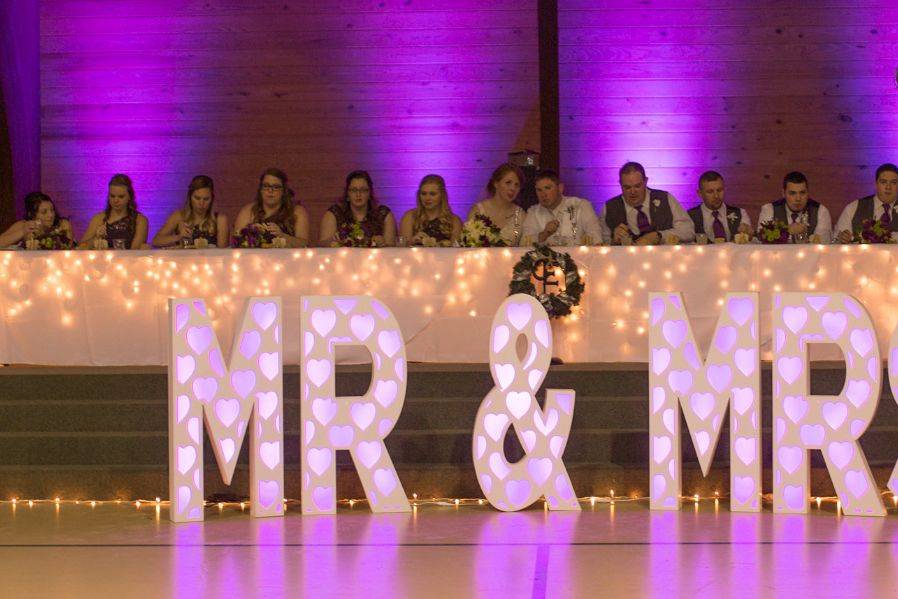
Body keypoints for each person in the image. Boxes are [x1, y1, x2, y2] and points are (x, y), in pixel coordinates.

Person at [599, 162, 693, 245]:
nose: (632, 191)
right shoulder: (609, 207)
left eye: (637, 186)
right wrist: (613, 241)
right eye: (627, 187)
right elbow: (601, 244)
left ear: (646, 181)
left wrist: (659, 236)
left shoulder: (665, 198)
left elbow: (688, 231)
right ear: (620, 184)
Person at [232, 168, 310, 248]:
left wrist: (282, 236)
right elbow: (236, 242)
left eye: (276, 187)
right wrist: (253, 235)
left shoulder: (297, 211)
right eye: (266, 186)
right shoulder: (248, 211)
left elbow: (304, 244)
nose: (270, 191)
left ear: (283, 191)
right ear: (261, 190)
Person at [521, 169, 601, 245]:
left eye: (547, 188)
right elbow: (524, 243)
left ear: (560, 188)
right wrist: (544, 234)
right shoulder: (533, 212)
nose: (543, 194)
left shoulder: (581, 206)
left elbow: (596, 239)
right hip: (543, 259)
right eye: (539, 190)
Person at [319, 170, 396, 247]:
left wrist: (383, 243)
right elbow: (322, 246)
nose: (358, 194)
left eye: (363, 190)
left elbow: (392, 251)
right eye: (354, 190)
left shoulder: (383, 214)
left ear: (369, 194)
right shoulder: (335, 213)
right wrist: (332, 242)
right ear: (347, 194)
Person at [152, 175, 229, 248]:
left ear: (212, 199)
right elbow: (156, 241)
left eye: (206, 199)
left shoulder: (220, 219)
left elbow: (222, 251)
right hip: (184, 260)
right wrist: (178, 237)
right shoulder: (179, 216)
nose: (201, 203)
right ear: (190, 197)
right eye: (197, 198)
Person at [757, 171, 832, 243]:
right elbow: (761, 239)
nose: (798, 198)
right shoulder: (769, 209)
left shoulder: (820, 211)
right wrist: (786, 231)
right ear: (783, 193)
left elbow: (824, 242)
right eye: (792, 193)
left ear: (808, 193)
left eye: (802, 193)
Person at [79, 174, 148, 249]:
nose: (116, 200)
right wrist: (96, 239)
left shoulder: (140, 220)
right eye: (112, 196)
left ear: (129, 197)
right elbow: (80, 247)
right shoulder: (99, 218)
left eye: (121, 196)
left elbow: (135, 251)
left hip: (129, 260)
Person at [834, 163, 898, 243]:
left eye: (894, 183)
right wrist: (841, 239)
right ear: (876, 184)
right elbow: (836, 241)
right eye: (883, 182)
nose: (888, 187)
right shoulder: (854, 207)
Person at [466, 163, 526, 246]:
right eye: (508, 183)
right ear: (496, 183)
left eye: (517, 185)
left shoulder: (521, 216)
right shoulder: (478, 211)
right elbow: (467, 244)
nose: (513, 188)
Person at [398, 174, 462, 246]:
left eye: (432, 194)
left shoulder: (454, 221)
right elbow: (401, 248)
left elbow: (457, 251)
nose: (427, 198)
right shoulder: (410, 216)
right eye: (423, 194)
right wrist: (412, 241)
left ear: (442, 196)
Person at [688, 171, 752, 242]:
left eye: (719, 190)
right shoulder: (689, 217)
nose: (716, 196)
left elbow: (746, 241)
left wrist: (748, 234)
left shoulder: (740, 213)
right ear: (700, 193)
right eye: (710, 192)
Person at [0, 192, 74, 248]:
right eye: (44, 212)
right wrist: (23, 231)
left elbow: (69, 249)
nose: (50, 215)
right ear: (32, 215)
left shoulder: (62, 224)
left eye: (52, 210)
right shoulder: (24, 225)